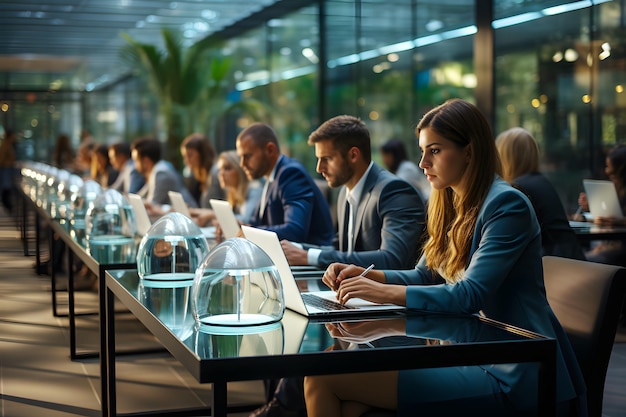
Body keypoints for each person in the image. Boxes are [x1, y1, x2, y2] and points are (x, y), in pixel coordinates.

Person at [303, 99, 586, 417]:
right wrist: (369, 276)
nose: (423, 163)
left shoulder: (507, 205)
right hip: (466, 352)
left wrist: (380, 293)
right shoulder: (450, 203)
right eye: (422, 150)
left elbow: (469, 295)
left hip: (514, 370)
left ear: (469, 151)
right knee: (350, 402)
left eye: (434, 150)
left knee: (322, 378)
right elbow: (425, 275)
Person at [281, 115, 426, 270]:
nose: (319, 168)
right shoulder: (345, 192)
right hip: (351, 291)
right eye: (318, 159)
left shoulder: (394, 191)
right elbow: (341, 251)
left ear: (353, 155)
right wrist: (299, 249)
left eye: (327, 159)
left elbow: (392, 259)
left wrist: (309, 257)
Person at [236, 122, 334, 246]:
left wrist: (251, 233)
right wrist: (240, 226)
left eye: (247, 156)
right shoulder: (271, 177)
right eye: (240, 157)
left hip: (311, 260)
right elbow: (256, 222)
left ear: (270, 150)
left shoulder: (291, 173)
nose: (242, 164)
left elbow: (295, 231)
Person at [495, 127, 585, 260]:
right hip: (569, 259)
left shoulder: (519, 189)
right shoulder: (539, 181)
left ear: (504, 157)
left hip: (554, 266)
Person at [577, 143, 626, 266]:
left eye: (611, 168)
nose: (606, 171)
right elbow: (610, 216)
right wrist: (592, 207)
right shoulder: (617, 190)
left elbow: (617, 221)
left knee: (582, 263)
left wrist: (619, 221)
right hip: (611, 246)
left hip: (620, 251)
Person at [189, 150, 263, 227]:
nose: (221, 173)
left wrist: (214, 215)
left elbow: (247, 220)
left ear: (240, 169)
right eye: (220, 169)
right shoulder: (232, 193)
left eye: (227, 168)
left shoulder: (255, 190)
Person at [131, 137, 197, 215]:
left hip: (191, 216)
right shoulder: (156, 171)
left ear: (146, 161)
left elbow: (151, 206)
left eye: (136, 160)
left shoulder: (161, 174)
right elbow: (140, 197)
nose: (134, 166)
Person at [180, 133, 225, 208]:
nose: (186, 161)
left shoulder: (215, 173)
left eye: (190, 155)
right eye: (184, 157)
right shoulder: (197, 176)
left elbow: (212, 209)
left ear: (202, 154)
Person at [0, 129, 17, 213]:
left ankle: (8, 206)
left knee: (7, 189)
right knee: (6, 188)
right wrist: (10, 163)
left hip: (7, 170)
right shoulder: (6, 145)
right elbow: (1, 159)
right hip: (5, 170)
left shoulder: (7, 145)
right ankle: (8, 206)